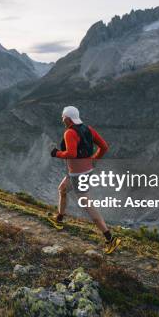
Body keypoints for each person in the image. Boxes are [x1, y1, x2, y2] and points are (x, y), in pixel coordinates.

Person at [47, 105, 121, 254]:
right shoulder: (88, 129)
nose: (62, 119)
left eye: (63, 117)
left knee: (87, 206)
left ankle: (110, 238)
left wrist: (56, 153)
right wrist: (94, 158)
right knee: (62, 190)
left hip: (77, 174)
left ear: (67, 118)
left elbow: (72, 153)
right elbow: (104, 146)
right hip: (83, 170)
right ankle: (59, 219)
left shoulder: (69, 132)